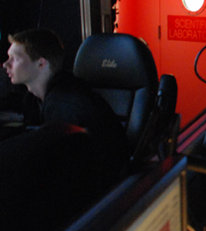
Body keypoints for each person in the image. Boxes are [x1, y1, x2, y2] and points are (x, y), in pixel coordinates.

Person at [2, 28, 128, 165]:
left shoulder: (66, 106)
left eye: (15, 59)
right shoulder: (35, 98)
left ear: (41, 63)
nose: (6, 64)